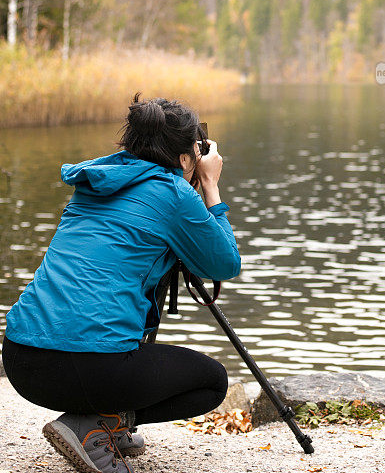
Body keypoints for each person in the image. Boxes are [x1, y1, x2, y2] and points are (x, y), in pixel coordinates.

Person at [1, 93, 241, 473]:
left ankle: (102, 421)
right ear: (184, 158)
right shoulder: (174, 193)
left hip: (20, 359)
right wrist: (209, 186)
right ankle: (95, 425)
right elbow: (226, 264)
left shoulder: (96, 179)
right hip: (89, 367)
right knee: (212, 381)